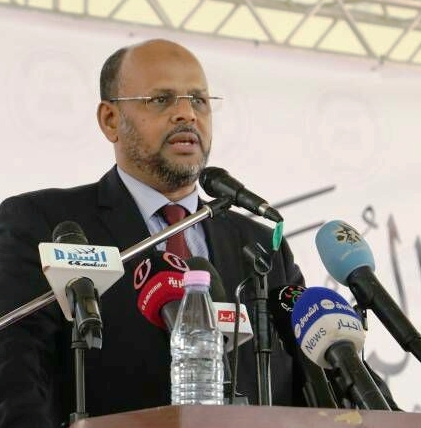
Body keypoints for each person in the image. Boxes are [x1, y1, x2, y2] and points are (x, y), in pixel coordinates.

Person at [0, 39, 396, 428]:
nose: (186, 114)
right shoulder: (44, 223)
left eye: (199, 101)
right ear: (110, 120)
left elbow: (318, 374)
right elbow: (15, 366)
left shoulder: (259, 246)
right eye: (162, 100)